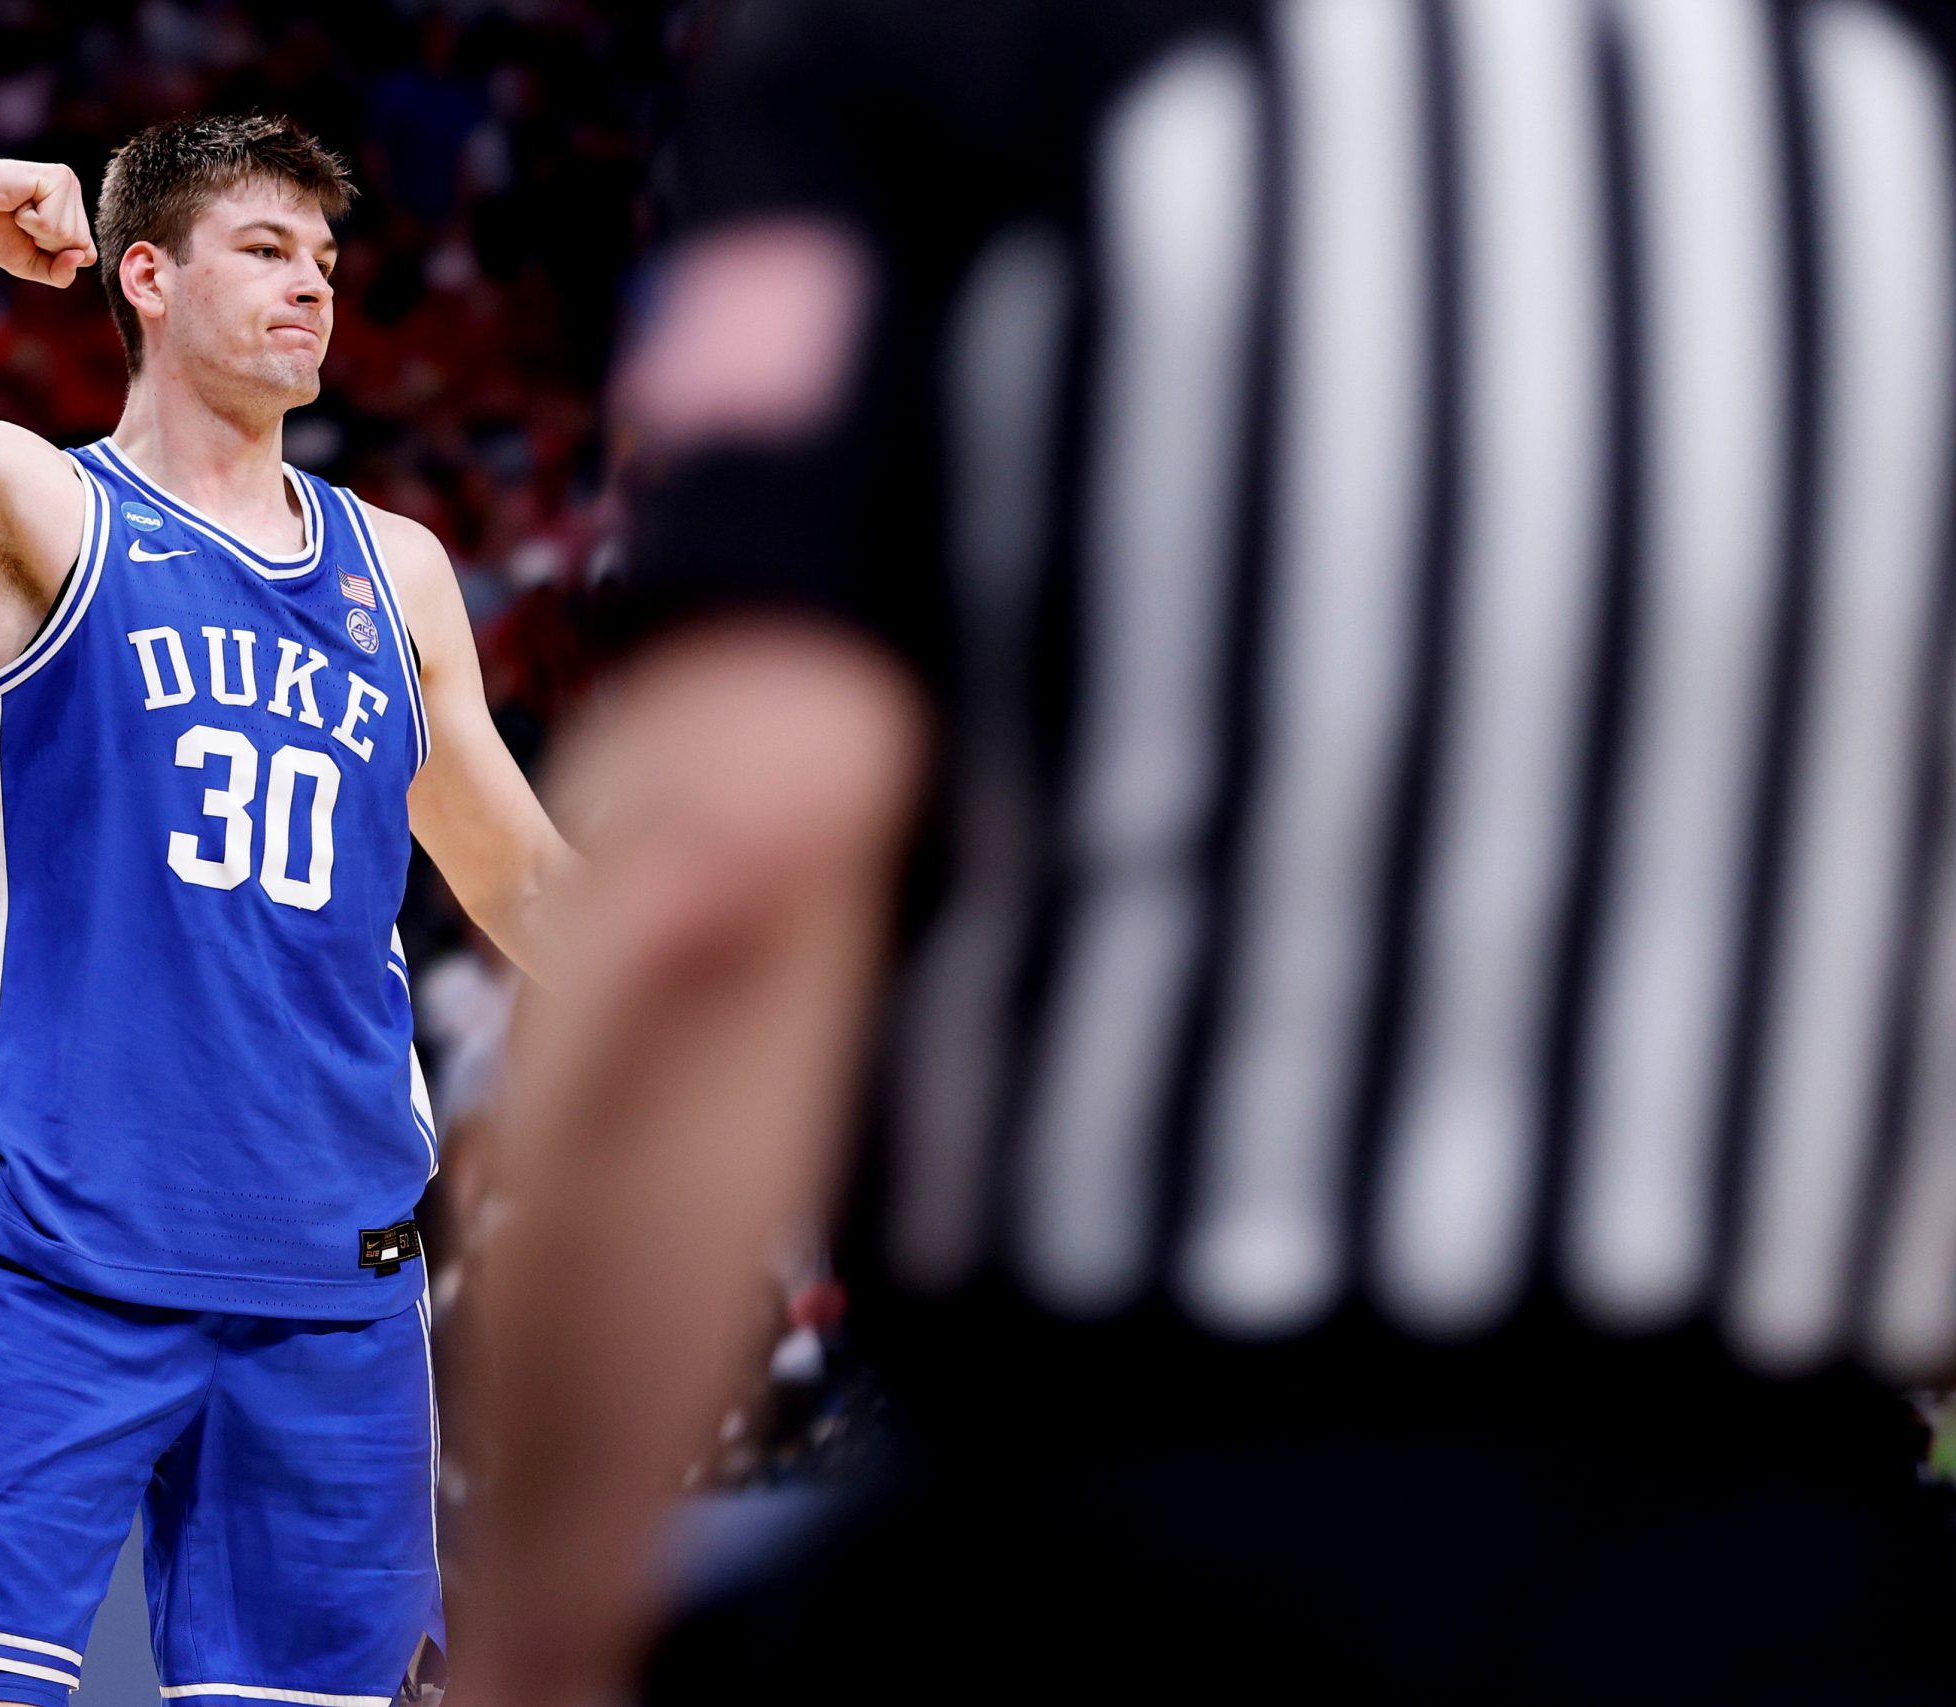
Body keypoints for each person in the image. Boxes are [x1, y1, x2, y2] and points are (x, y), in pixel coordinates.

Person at [460, 1, 1956, 1703]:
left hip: (1123, 1540)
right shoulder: (1895, 91)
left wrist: (541, 1626)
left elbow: (725, 853)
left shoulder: (971, 56)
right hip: (1796, 1560)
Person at [0, 110, 572, 1706]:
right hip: (67, 1248)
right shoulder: (33, 510)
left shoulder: (396, 568)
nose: (313, 291)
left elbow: (522, 876)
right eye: (266, 251)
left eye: (329, 261)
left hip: (333, 1280)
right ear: (144, 275)